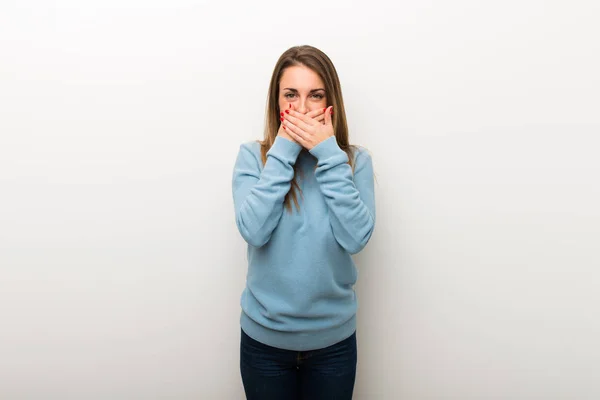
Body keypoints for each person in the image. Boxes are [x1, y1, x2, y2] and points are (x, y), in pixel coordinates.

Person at [231, 45, 376, 400]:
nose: (303, 108)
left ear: (331, 102)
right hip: (264, 343)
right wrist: (284, 150)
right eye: (291, 95)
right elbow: (253, 230)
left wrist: (328, 153)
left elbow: (356, 238)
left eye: (315, 95)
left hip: (333, 345)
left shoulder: (355, 162)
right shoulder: (253, 157)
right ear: (277, 103)